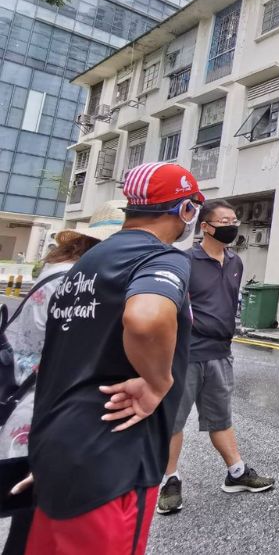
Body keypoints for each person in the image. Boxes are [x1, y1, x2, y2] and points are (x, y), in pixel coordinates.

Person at [24, 162, 203, 555]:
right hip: (113, 460)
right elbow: (146, 317)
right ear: (185, 210)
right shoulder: (162, 258)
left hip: (56, 446)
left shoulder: (84, 264)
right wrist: (158, 381)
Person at [0, 202, 124, 555]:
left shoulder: (57, 270)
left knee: (31, 517)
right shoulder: (80, 281)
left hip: (25, 400)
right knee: (41, 516)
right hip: (48, 407)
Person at [157, 199, 273, 515]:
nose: (231, 225)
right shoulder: (183, 261)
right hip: (187, 354)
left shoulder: (235, 261)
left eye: (234, 219)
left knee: (220, 418)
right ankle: (169, 481)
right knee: (174, 422)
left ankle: (236, 473)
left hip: (221, 353)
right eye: (224, 220)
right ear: (205, 226)